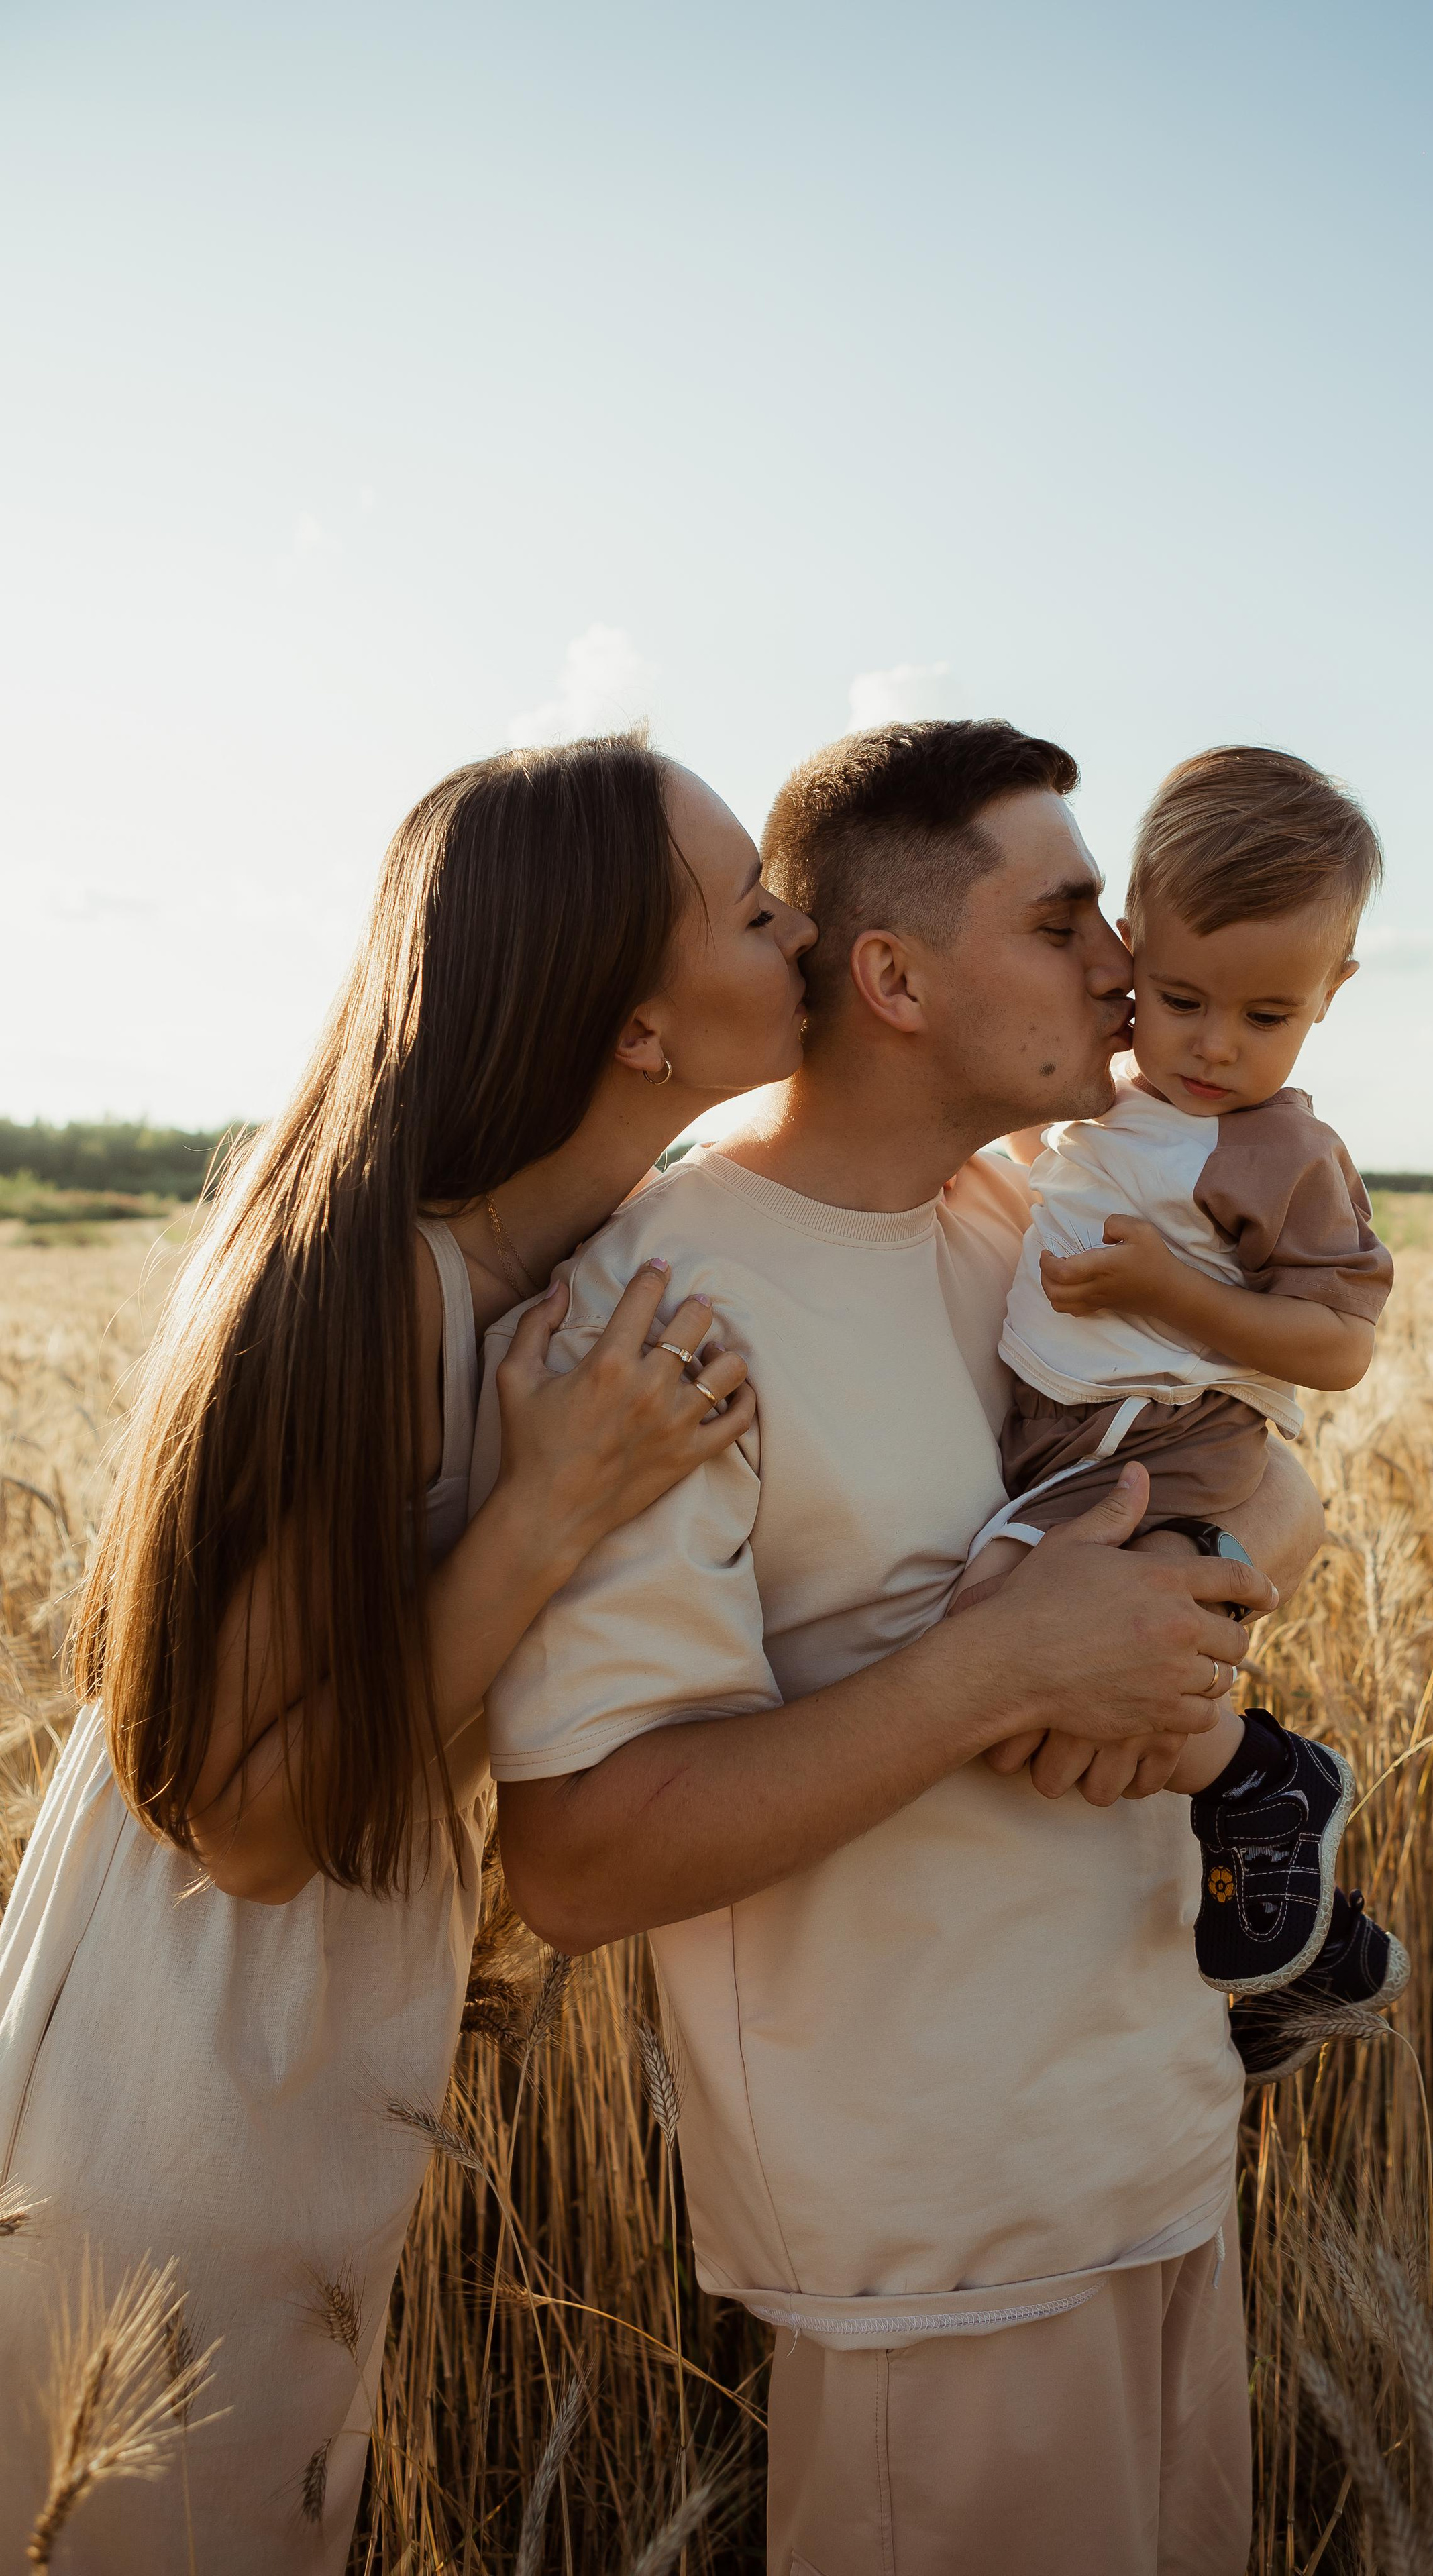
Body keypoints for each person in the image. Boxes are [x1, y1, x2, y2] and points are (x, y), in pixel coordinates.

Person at [481, 720, 1328, 2576]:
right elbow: (578, 1855)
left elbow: (1279, 1479)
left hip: (1167, 2159)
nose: (1127, 963)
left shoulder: (1027, 1223)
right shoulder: (661, 1307)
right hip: (935, 2255)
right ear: (892, 976)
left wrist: (1191, 1572)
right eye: (1068, 916)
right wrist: (1007, 1669)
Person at [0, 736, 813, 2573]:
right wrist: (553, 1506)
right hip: (178, 2104)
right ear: (638, 1032)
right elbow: (242, 1823)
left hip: (295, 2084)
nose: (807, 936)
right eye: (759, 911)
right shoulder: (372, 1283)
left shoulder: (527, 1279)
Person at [955, 743, 1409, 2041]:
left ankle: (1267, 1783)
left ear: (1334, 992)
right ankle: (1311, 1953)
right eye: (1181, 996)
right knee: (1054, 1667)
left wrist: (1178, 1294)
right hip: (1072, 1432)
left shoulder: (1280, 1150)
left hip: (1176, 1431)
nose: (1215, 1046)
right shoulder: (1093, 1100)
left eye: (1268, 1018)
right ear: (1129, 950)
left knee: (1024, 1643)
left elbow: (1338, 1348)